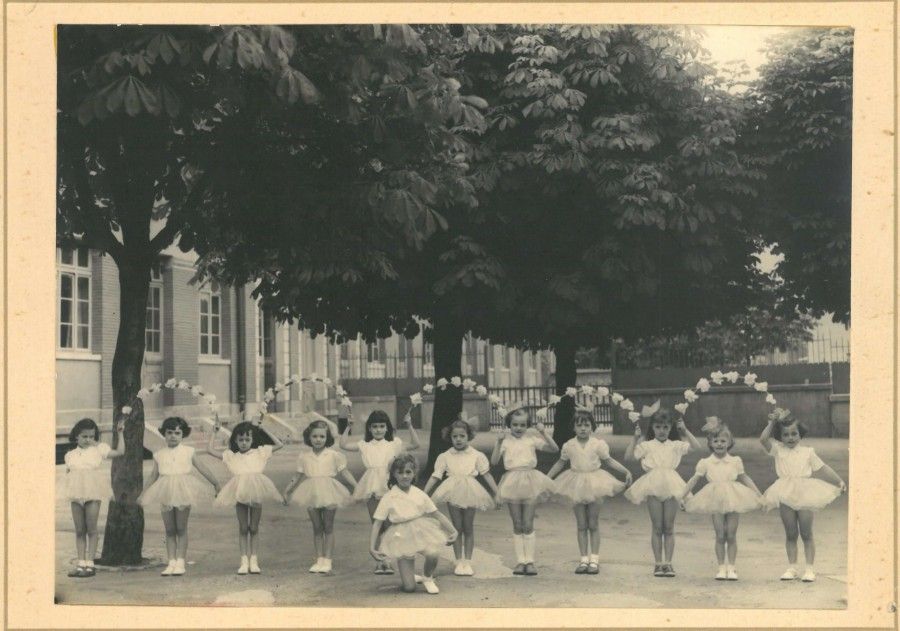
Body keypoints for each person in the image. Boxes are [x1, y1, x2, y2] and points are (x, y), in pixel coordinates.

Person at [759, 408, 846, 582]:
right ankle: (792, 568)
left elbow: (823, 468)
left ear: (800, 435)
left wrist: (839, 481)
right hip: (784, 491)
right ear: (780, 436)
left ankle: (809, 569)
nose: (790, 438)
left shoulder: (808, 452)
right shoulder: (778, 450)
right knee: (791, 533)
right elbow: (763, 439)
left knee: (806, 533)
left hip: (805, 493)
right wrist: (772, 422)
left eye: (794, 434)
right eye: (786, 435)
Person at [547, 408, 632, 575]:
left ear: (592, 427)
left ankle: (594, 559)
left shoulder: (598, 444)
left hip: (595, 483)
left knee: (593, 523)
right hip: (576, 483)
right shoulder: (569, 445)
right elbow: (560, 463)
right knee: (581, 524)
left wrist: (625, 471)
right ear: (573, 428)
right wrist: (547, 478)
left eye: (586, 425)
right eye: (579, 426)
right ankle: (583, 559)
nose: (583, 429)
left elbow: (609, 460)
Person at [681, 418, 763, 580]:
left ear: (730, 442)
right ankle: (720, 567)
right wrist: (682, 496)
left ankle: (731, 568)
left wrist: (759, 495)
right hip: (714, 498)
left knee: (731, 534)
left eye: (723, 441)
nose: (719, 444)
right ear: (710, 443)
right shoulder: (705, 462)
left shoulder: (735, 461)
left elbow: (745, 478)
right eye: (715, 441)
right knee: (720, 535)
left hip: (734, 497)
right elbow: (693, 480)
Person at [340, 408, 420, 574]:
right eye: (375, 426)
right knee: (377, 523)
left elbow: (415, 444)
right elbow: (343, 445)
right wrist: (348, 427)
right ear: (369, 428)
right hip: (371, 486)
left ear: (387, 428)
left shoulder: (394, 444)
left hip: (389, 486)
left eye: (382, 426)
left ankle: (388, 560)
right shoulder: (364, 445)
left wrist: (410, 424)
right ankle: (380, 562)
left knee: (390, 523)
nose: (378, 430)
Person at [138, 417, 220, 576]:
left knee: (181, 528)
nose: (173, 436)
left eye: (177, 433)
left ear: (183, 435)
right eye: (169, 433)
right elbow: (153, 475)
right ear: (164, 434)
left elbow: (202, 468)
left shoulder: (189, 451)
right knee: (169, 529)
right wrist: (143, 493)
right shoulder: (159, 454)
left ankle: (181, 561)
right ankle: (171, 562)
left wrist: (215, 483)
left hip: (183, 489)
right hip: (166, 490)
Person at [624, 407, 701, 577]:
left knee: (669, 527)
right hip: (652, 484)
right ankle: (658, 563)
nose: (661, 431)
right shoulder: (646, 445)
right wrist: (634, 439)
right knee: (657, 527)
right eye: (658, 427)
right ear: (652, 427)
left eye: (666, 427)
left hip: (672, 484)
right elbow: (629, 457)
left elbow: (697, 447)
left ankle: (668, 563)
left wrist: (685, 430)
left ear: (670, 428)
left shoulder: (675, 445)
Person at [422, 417, 501, 576]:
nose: (458, 439)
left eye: (462, 436)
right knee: (456, 528)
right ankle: (459, 561)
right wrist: (424, 494)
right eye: (455, 436)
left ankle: (468, 562)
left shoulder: (476, 455)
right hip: (452, 490)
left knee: (468, 527)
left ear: (468, 436)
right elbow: (436, 476)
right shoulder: (445, 456)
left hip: (471, 490)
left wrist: (496, 493)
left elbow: (486, 475)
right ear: (450, 437)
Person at [370, 453, 458, 594]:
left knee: (433, 552)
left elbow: (436, 513)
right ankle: (410, 578)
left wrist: (453, 531)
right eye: (400, 472)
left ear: (414, 473)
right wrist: (371, 547)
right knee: (409, 588)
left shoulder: (419, 493)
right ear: (394, 474)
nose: (404, 476)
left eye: (408, 472)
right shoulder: (388, 497)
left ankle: (427, 577)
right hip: (400, 535)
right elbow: (377, 523)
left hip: (420, 529)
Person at [207, 417, 284, 575]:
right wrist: (214, 433)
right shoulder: (231, 455)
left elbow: (280, 444)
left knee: (254, 527)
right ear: (235, 440)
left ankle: (254, 560)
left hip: (255, 490)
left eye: (247, 439)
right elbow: (210, 450)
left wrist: (263, 429)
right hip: (240, 490)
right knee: (243, 527)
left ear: (252, 439)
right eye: (240, 439)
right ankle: (243, 561)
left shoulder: (260, 452)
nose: (244, 442)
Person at [490, 405, 559, 576]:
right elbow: (494, 461)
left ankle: (530, 561)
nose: (518, 428)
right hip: (512, 481)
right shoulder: (505, 441)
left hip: (530, 481)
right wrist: (498, 442)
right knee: (517, 523)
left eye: (522, 425)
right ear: (509, 425)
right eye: (515, 425)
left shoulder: (531, 440)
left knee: (528, 523)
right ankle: (521, 561)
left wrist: (543, 433)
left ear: (527, 426)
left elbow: (554, 449)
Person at [283, 420, 358, 574]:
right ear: (309, 438)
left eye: (322, 437)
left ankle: (328, 560)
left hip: (330, 491)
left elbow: (345, 472)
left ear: (327, 438)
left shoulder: (334, 455)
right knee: (317, 527)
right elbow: (297, 476)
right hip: (311, 492)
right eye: (315, 436)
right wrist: (288, 490)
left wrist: (357, 486)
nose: (318, 439)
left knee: (328, 527)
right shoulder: (304, 457)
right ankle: (319, 559)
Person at [63, 418, 126, 577]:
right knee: (79, 530)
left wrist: (121, 434)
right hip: (76, 493)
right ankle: (81, 563)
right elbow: (69, 474)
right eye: (84, 436)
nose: (88, 440)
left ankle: (90, 564)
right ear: (76, 436)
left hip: (93, 490)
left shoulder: (99, 449)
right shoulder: (69, 455)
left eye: (91, 436)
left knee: (91, 528)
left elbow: (120, 452)